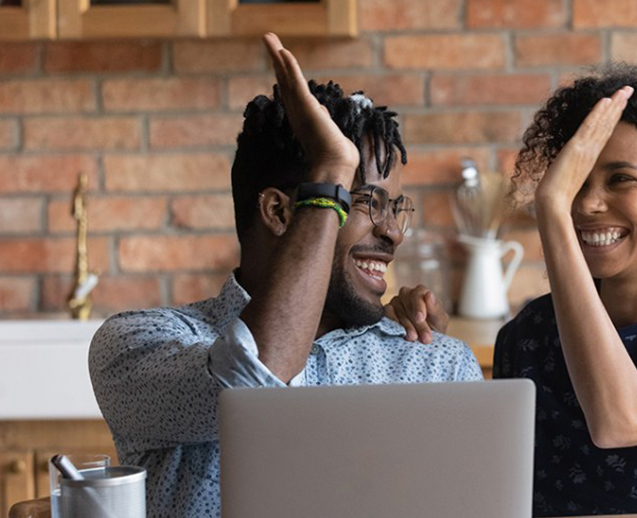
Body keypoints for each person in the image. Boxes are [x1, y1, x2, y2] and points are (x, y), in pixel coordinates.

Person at [89, 33, 482, 518]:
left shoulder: (434, 364)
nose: (392, 233)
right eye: (364, 201)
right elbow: (255, 381)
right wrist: (332, 168)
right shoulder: (138, 345)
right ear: (280, 211)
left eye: (395, 208)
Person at [391, 64, 637, 515]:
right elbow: (481, 488)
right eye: (575, 184)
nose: (586, 204)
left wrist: (551, 209)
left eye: (621, 179)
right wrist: (426, 349)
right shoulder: (530, 335)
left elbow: (623, 420)